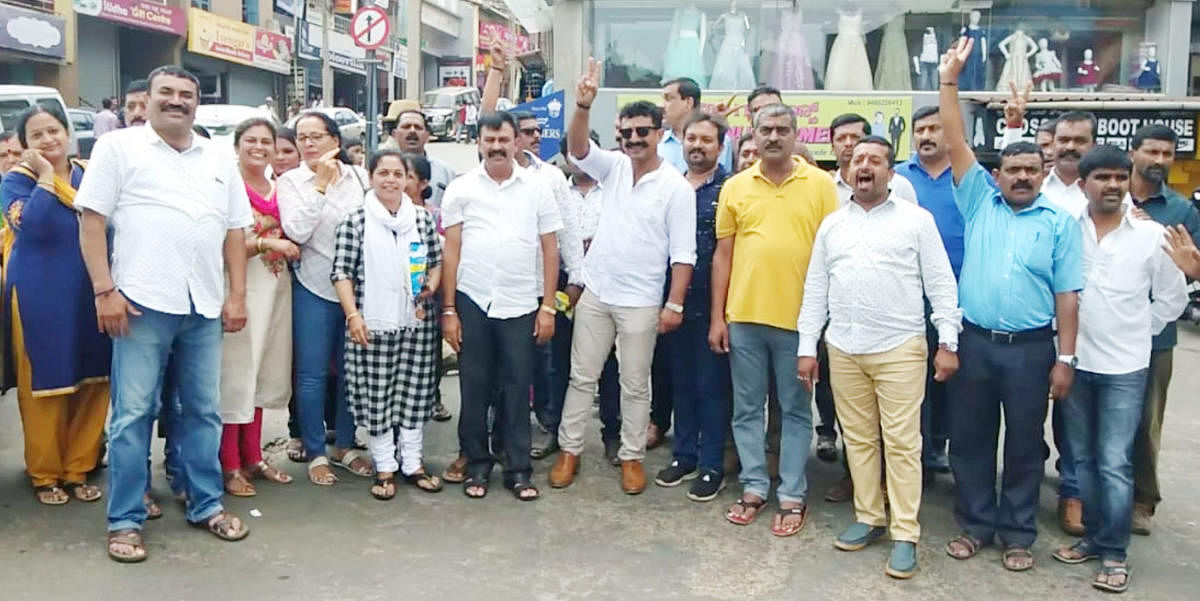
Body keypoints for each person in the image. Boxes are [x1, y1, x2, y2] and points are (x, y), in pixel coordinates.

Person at [77, 65, 252, 563]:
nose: (177, 101)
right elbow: (92, 224)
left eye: (187, 95)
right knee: (132, 416)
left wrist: (236, 295)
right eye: (166, 93)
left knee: (202, 411)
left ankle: (205, 503)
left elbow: (235, 232)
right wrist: (103, 291)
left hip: (203, 306)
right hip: (138, 303)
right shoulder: (119, 149)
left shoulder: (218, 157)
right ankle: (126, 520)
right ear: (147, 98)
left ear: (198, 102)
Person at [938, 38, 1083, 572]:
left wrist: (1064, 360)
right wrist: (949, 82)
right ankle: (975, 525)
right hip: (976, 344)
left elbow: (1068, 296)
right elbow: (955, 141)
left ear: (1042, 172)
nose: (1021, 176)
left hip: (1030, 351)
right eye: (1012, 169)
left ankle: (1018, 533)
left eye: (1031, 169)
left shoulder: (1060, 224)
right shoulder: (977, 200)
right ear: (996, 174)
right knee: (971, 441)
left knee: (1025, 445)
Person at [797, 136, 962, 579]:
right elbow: (816, 290)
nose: (863, 166)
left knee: (903, 443)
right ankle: (869, 517)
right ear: (848, 173)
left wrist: (948, 341)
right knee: (859, 439)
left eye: (874, 160)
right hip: (845, 348)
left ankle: (904, 532)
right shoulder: (832, 225)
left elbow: (942, 284)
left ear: (891, 172)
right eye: (856, 160)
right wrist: (806, 347)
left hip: (900, 348)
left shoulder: (916, 221)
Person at [549, 60, 695, 496]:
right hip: (596, 294)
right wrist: (582, 105)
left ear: (658, 132)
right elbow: (577, 149)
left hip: (643, 302)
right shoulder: (611, 166)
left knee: (634, 383)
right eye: (626, 132)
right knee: (582, 377)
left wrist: (674, 304)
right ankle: (569, 449)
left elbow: (683, 255)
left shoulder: (676, 188)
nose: (633, 139)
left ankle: (632, 456)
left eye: (642, 132)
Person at [1049, 145, 1185, 593]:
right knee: (1082, 459)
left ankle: (1115, 554)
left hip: (1125, 367)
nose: (1112, 185)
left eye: (1119, 178)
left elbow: (1172, 298)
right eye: (1102, 178)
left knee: (1113, 462)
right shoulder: (1067, 230)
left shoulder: (1151, 235)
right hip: (1075, 362)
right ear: (1084, 183)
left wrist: (1137, 330)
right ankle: (1094, 538)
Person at [712, 102, 837, 536]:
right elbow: (723, 256)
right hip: (743, 317)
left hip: (799, 325)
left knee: (795, 410)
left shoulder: (820, 185)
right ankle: (752, 487)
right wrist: (718, 317)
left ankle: (791, 496)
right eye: (766, 129)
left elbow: (830, 256)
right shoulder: (736, 187)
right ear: (753, 132)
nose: (774, 136)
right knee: (747, 409)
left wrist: (821, 323)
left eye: (783, 129)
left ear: (795, 134)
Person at [441, 111, 560, 501]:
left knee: (516, 386)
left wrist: (547, 307)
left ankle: (518, 470)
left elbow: (549, 249)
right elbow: (452, 250)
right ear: (478, 142)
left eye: (504, 140)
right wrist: (449, 310)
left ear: (516, 143)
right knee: (474, 387)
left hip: (521, 301)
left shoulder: (538, 188)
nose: (496, 147)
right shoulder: (460, 188)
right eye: (489, 140)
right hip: (472, 299)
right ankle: (477, 465)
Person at [1, 105, 111, 506]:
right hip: (38, 296)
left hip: (91, 290)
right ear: (25, 145)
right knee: (45, 384)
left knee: (94, 378)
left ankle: (78, 468)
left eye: (54, 131)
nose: (49, 140)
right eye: (37, 135)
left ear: (68, 133)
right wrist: (47, 178)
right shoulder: (17, 180)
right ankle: (45, 474)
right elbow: (31, 224)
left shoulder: (89, 173)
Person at [333, 150, 445, 501]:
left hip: (415, 322)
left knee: (412, 393)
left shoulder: (422, 221)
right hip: (371, 324)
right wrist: (353, 316)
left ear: (408, 179)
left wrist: (432, 285)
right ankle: (384, 466)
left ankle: (412, 463)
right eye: (383, 173)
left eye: (398, 174)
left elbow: (437, 262)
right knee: (378, 395)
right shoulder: (356, 221)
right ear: (371, 177)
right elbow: (341, 273)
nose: (391, 180)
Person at [277, 111, 375, 486]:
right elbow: (297, 232)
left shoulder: (360, 178)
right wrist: (318, 185)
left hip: (355, 288)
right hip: (313, 286)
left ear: (335, 140)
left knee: (351, 371)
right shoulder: (291, 182)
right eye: (303, 138)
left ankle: (346, 445)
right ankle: (316, 450)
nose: (309, 144)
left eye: (317, 136)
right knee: (312, 373)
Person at [1124, 125, 1200, 536]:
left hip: (1157, 336)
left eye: (1167, 154)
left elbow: (1195, 265)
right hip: (1108, 330)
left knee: (1146, 419)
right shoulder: (1109, 196)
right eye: (1151, 151)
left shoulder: (1181, 210)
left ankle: (1142, 499)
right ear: (1133, 153)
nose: (1159, 160)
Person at [217, 118, 298, 497]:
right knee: (236, 374)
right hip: (241, 285)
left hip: (277, 287)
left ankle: (253, 456)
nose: (259, 147)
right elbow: (220, 244)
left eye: (266, 141)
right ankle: (229, 464)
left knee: (265, 370)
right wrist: (268, 245)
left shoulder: (280, 187)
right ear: (237, 145)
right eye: (250, 140)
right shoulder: (226, 187)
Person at [653, 112, 731, 502]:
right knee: (680, 382)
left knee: (711, 387)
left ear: (720, 146)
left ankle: (711, 464)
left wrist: (722, 313)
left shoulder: (731, 188)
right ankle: (684, 455)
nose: (697, 146)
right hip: (671, 300)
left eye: (706, 140)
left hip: (714, 302)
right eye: (691, 138)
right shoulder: (669, 186)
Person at [893, 105, 965, 479]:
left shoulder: (967, 176)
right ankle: (918, 452)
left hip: (957, 295)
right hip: (907, 297)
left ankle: (942, 444)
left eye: (935, 128)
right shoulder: (900, 177)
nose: (926, 136)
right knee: (913, 380)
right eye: (920, 129)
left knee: (950, 378)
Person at [559, 133, 625, 466]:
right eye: (572, 153)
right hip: (564, 288)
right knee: (563, 366)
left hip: (606, 288)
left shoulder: (616, 187)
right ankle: (560, 438)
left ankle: (612, 434)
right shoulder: (557, 190)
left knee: (610, 369)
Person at [381, 101, 455, 212]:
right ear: (394, 134)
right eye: (406, 127)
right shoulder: (384, 171)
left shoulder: (445, 172)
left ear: (427, 135)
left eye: (418, 127)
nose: (412, 131)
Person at [829, 113, 918, 206]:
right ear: (832, 146)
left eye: (855, 137)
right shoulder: (826, 186)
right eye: (841, 138)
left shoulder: (899, 186)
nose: (848, 143)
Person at [657, 77, 734, 174]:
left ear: (688, 102)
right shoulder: (658, 141)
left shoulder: (721, 141)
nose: (661, 105)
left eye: (668, 99)